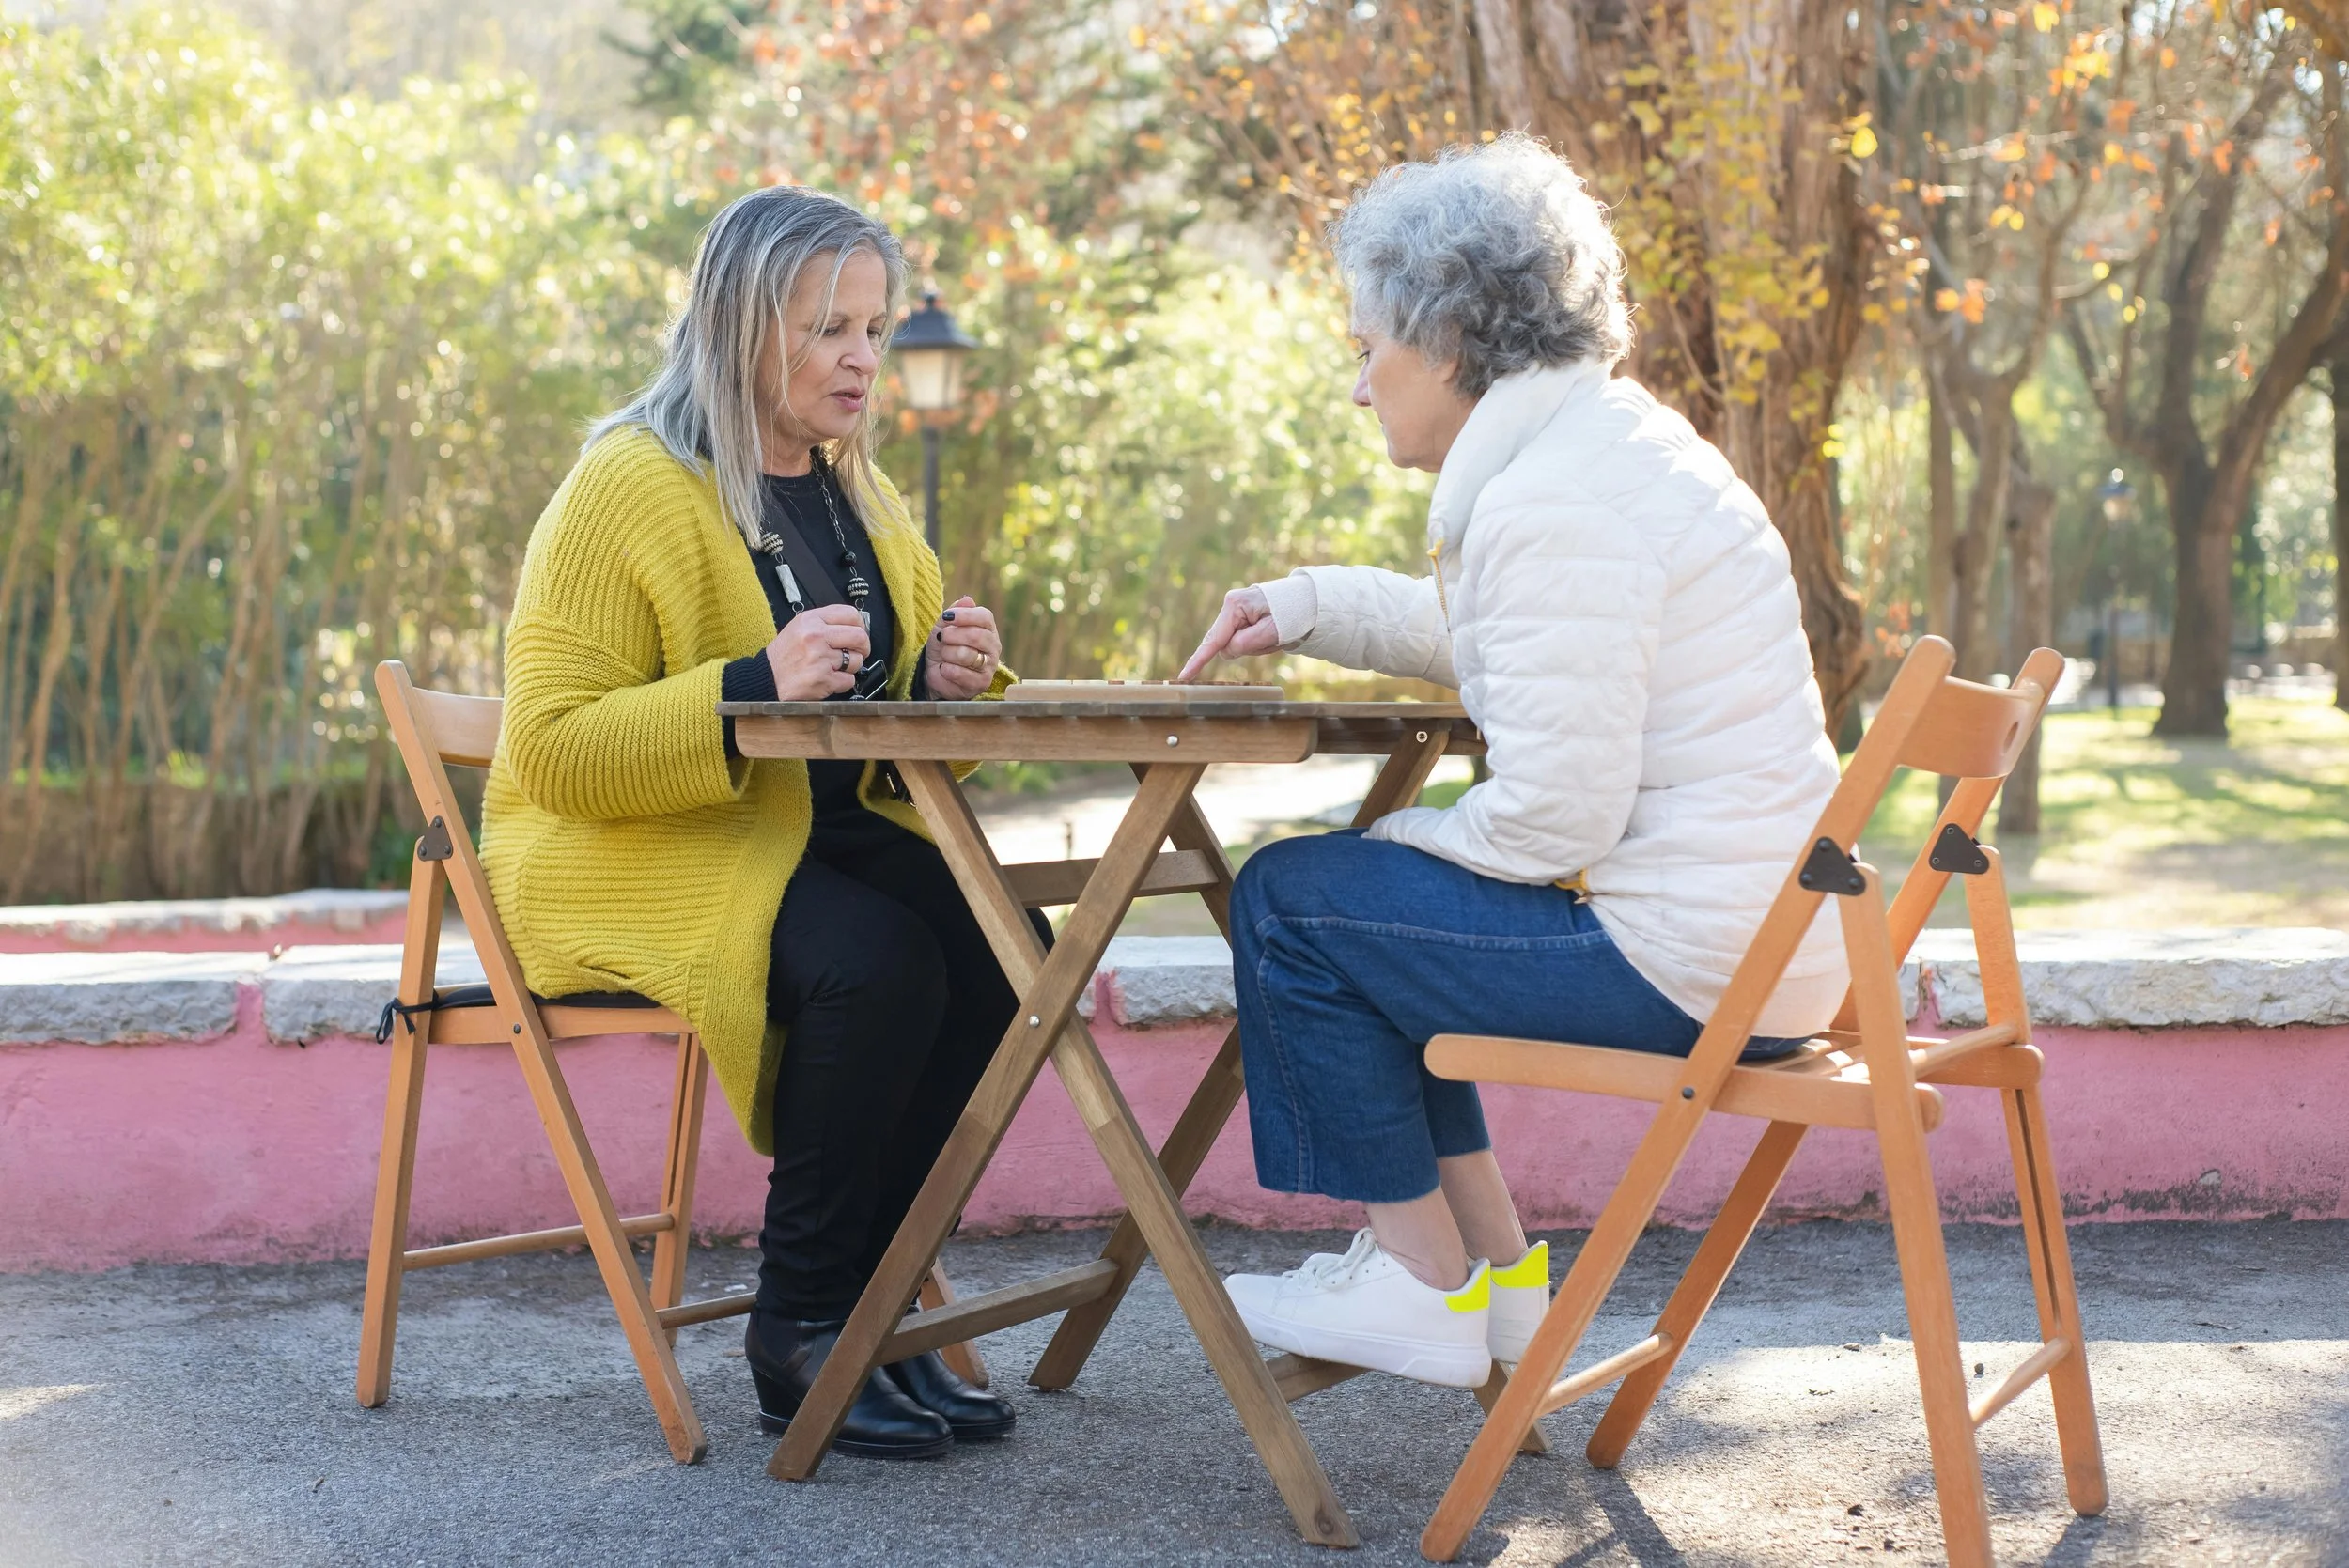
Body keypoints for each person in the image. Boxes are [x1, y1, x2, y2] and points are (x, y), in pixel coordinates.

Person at [1177, 135, 1849, 1391]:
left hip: (1692, 966)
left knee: (1294, 905)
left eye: (1367, 346)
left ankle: (1419, 1286)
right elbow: (1532, 646)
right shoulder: (1611, 453)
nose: (1361, 383)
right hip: (1763, 956)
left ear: (1445, 342)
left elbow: (1554, 817)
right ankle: (1491, 1284)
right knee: (1355, 916)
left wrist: (1388, 855)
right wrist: (1313, 605)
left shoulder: (1557, 501)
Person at [480, 186, 1027, 1460]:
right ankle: (800, 1330)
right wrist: (747, 687)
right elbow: (552, 750)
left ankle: (877, 1313)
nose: (862, 357)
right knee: (876, 963)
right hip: (633, 854)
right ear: (737, 326)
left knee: (1013, 949)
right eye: (827, 325)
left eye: (876, 327)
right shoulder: (626, 486)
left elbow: (870, 739)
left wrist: (943, 681)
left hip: (793, 835)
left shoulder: (859, 497)